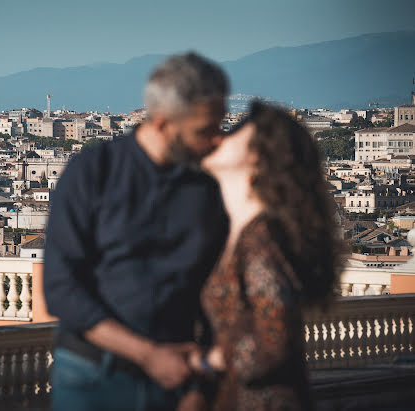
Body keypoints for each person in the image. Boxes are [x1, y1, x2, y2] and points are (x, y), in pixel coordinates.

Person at [43, 52, 230, 411]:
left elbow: (216, 292)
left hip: (179, 380)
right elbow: (62, 289)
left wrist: (201, 389)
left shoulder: (207, 190)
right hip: (93, 378)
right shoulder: (91, 173)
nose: (217, 141)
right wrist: (148, 355)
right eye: (205, 130)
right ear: (163, 123)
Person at [190, 102, 341, 410]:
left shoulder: (261, 238)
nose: (220, 137)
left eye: (234, 131)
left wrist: (210, 361)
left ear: (258, 156)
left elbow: (275, 340)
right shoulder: (240, 232)